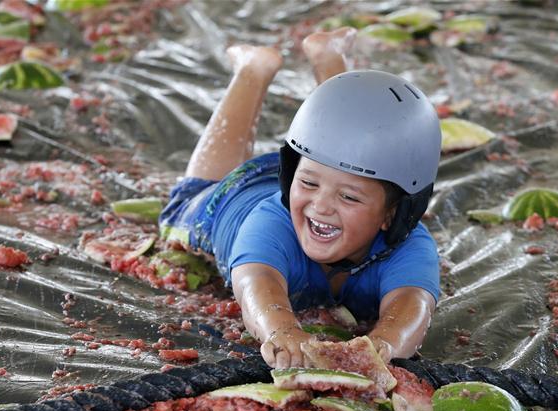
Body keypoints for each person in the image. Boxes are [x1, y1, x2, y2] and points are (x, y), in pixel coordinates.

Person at [159, 28, 442, 368]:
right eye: (309, 185)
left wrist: (384, 346)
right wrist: (281, 331)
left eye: (349, 197)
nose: (321, 206)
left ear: (391, 214)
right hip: (228, 200)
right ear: (292, 173)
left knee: (361, 127)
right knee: (190, 194)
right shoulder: (269, 225)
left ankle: (328, 54)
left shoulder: (410, 245)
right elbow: (256, 284)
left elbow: (414, 305)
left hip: (312, 171)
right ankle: (252, 68)